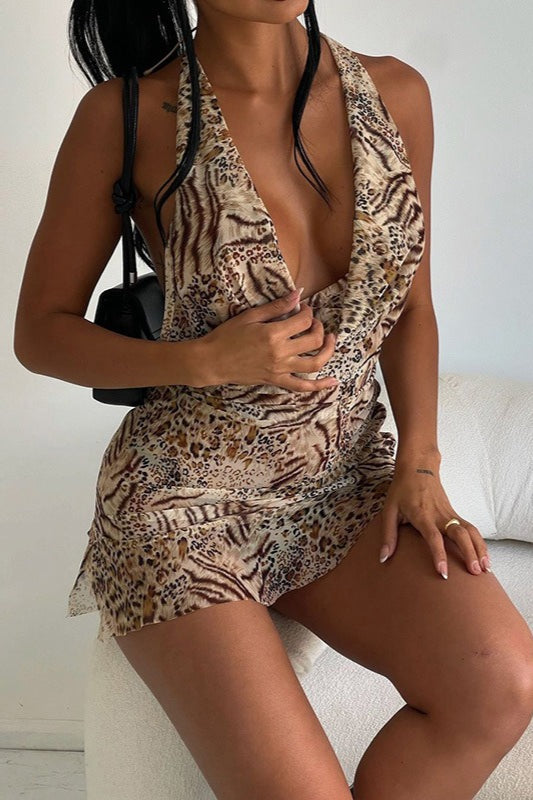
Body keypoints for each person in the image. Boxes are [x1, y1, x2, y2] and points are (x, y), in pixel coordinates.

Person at [13, 1, 533, 798]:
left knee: (497, 685)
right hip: (182, 507)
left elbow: (410, 308)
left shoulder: (395, 93)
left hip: (343, 483)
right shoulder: (127, 116)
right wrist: (199, 360)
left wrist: (420, 463)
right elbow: (40, 333)